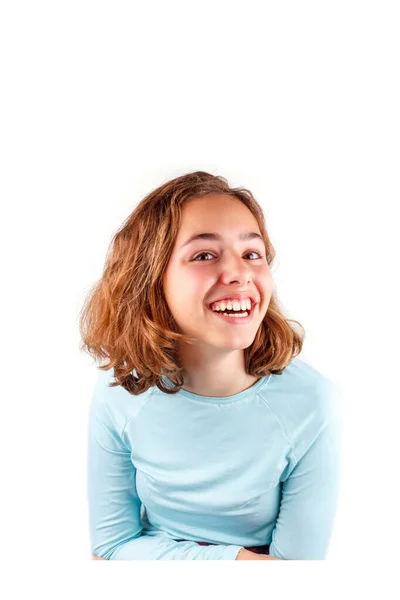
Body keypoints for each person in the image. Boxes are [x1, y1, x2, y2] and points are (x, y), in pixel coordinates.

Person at [80, 171, 342, 560]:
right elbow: (110, 548)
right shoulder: (120, 393)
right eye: (204, 255)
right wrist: (239, 561)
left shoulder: (311, 400)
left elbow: (294, 578)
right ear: (149, 279)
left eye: (252, 254)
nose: (239, 274)